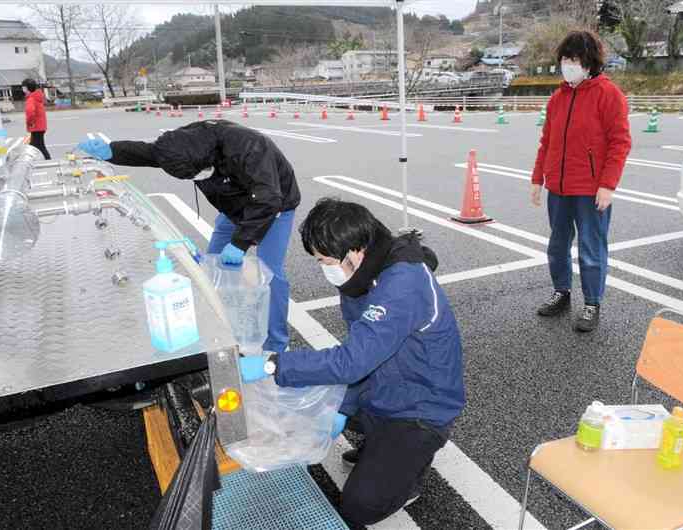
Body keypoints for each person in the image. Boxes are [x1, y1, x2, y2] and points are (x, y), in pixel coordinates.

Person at [239, 198, 466, 528]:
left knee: (358, 506)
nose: (324, 269)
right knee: (312, 401)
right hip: (387, 386)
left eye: (325, 261)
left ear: (356, 250)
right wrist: (344, 407)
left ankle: (411, 469)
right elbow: (361, 354)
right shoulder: (358, 276)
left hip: (422, 407)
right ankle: (382, 446)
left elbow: (351, 362)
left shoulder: (402, 285)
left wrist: (274, 365)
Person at [76, 120, 300, 353]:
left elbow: (267, 198)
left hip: (275, 206)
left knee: (269, 273)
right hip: (235, 206)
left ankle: (276, 343)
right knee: (211, 266)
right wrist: (112, 150)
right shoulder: (182, 144)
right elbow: (148, 153)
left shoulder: (249, 147)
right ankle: (220, 324)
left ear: (206, 157)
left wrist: (240, 243)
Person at [530, 30, 632, 332]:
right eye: (564, 59)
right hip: (558, 189)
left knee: (591, 248)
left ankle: (591, 303)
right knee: (557, 246)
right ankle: (561, 292)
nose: (568, 65)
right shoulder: (557, 99)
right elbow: (546, 142)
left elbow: (620, 142)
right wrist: (538, 179)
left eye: (574, 59)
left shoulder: (608, 94)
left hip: (590, 190)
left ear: (589, 63)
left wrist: (607, 185)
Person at [21, 78, 50, 160]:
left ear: (27, 88)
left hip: (36, 127)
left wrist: (30, 123)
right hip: (40, 126)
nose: (22, 89)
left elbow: (30, 113)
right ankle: (46, 160)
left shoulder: (31, 99)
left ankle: (29, 161)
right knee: (38, 145)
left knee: (35, 146)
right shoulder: (37, 97)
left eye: (23, 87)